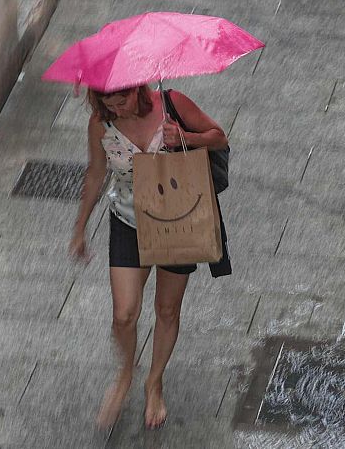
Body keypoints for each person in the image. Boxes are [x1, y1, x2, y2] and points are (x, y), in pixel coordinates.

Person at [69, 84, 228, 430]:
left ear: (138, 89)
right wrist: (79, 227)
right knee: (124, 314)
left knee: (167, 309)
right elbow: (96, 173)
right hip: (128, 222)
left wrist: (185, 136)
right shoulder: (100, 123)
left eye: (122, 100)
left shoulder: (173, 104)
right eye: (107, 102)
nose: (117, 108)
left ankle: (154, 381)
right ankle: (126, 371)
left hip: (179, 221)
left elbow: (219, 137)